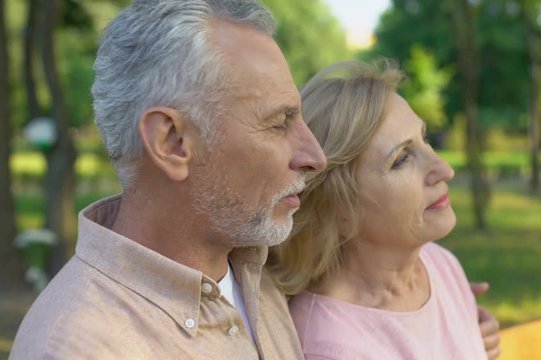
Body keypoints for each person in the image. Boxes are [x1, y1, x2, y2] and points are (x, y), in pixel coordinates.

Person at [10, 0, 326, 358]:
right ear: (171, 142)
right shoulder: (81, 346)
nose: (315, 156)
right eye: (278, 123)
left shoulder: (253, 270)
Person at [269, 60, 500, 359]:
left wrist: (472, 332)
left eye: (425, 139)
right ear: (337, 209)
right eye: (402, 159)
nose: (444, 169)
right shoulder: (332, 346)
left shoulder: (439, 264)